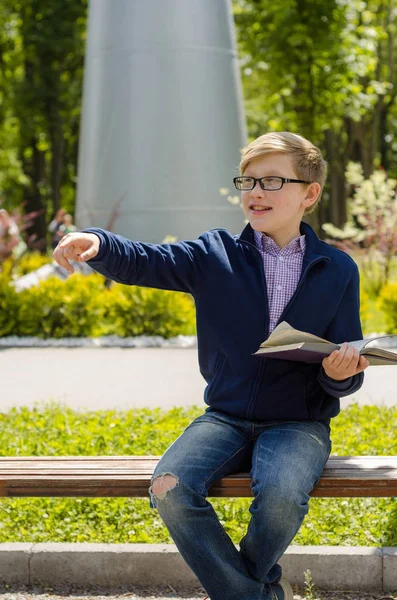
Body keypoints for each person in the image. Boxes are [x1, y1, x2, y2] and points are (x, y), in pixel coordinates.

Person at [52, 132, 369, 600]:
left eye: (273, 181)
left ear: (310, 193)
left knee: (281, 497)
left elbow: (346, 356)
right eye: (248, 181)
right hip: (225, 417)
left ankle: (243, 590)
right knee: (169, 487)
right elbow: (147, 260)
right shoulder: (213, 254)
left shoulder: (338, 269)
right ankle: (255, 595)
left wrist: (341, 374)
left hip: (299, 422)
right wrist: (96, 241)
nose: (256, 192)